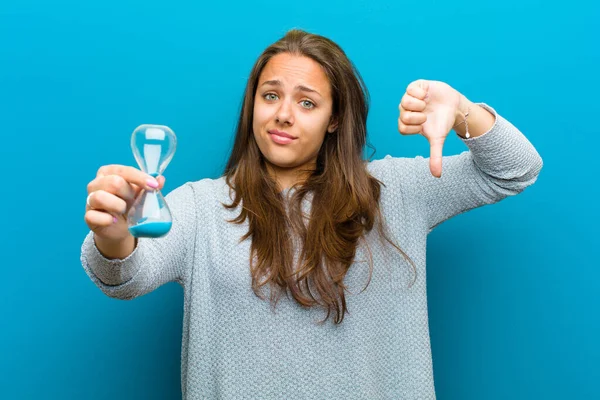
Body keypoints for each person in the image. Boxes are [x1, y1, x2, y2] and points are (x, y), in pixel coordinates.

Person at [80, 29, 543, 399]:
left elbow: (516, 170)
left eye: (306, 102)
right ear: (253, 105)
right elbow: (126, 276)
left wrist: (463, 111)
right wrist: (113, 232)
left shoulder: (396, 191)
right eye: (270, 96)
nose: (283, 115)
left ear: (335, 118)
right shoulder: (202, 205)